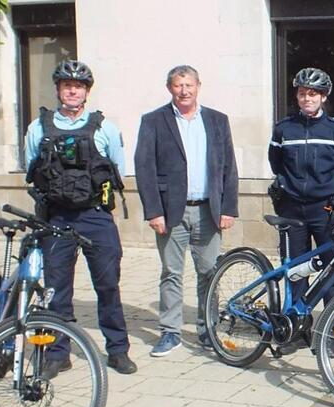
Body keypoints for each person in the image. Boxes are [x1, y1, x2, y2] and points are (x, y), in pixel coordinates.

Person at [24, 59, 136, 377]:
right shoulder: (38, 128)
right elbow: (29, 167)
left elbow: (119, 168)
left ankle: (117, 350)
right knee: (56, 288)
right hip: (56, 218)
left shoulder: (105, 128)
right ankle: (58, 353)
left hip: (95, 216)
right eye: (67, 85)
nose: (72, 90)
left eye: (79, 86)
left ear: (86, 91)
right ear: (58, 89)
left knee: (108, 285)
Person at [135, 65, 239, 357]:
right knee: (171, 272)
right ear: (170, 88)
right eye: (178, 86)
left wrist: (228, 207)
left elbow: (229, 167)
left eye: (189, 85)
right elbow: (144, 168)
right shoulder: (154, 121)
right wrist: (153, 211)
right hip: (171, 213)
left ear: (198, 86)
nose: (184, 91)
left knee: (209, 272)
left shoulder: (218, 120)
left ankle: (208, 331)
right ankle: (170, 332)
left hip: (209, 210)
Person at [268, 67, 334, 353]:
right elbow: (276, 162)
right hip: (293, 210)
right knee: (296, 270)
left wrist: (330, 186)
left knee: (333, 271)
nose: (307, 98)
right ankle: (296, 329)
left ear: (323, 96)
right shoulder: (284, 128)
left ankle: (333, 333)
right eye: (302, 93)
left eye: (313, 94)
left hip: (326, 210)